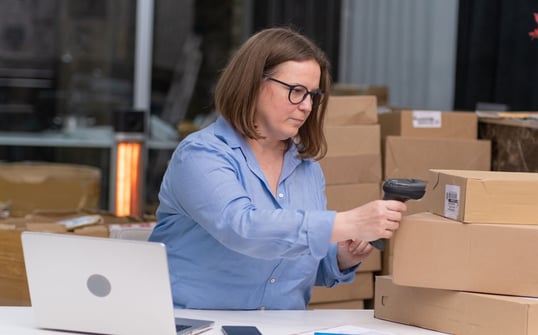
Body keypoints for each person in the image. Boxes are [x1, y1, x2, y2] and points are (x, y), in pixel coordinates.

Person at [148, 27, 406, 310]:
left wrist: (341, 256)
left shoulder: (307, 169)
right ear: (253, 83)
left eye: (313, 95)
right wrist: (345, 223)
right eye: (296, 91)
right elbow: (241, 228)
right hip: (197, 325)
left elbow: (292, 264)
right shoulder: (201, 155)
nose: (307, 106)